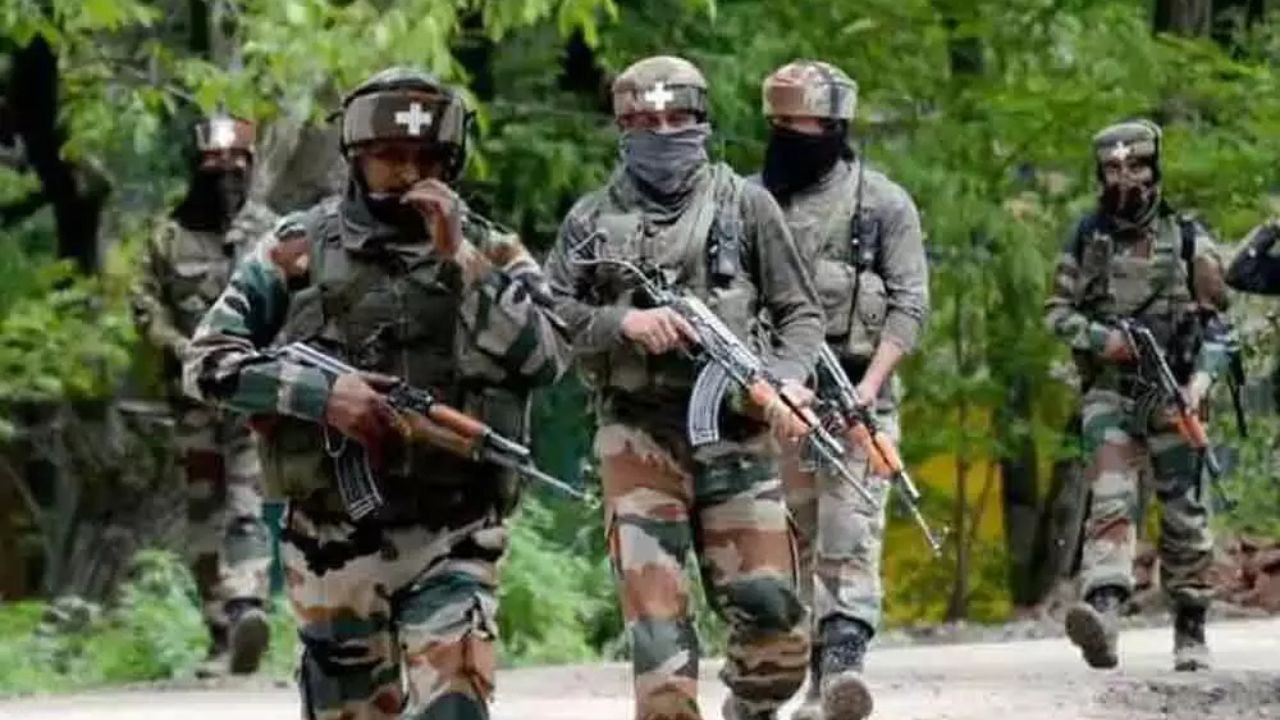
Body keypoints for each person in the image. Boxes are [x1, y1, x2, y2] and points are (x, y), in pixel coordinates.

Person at [182, 67, 571, 718]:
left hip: (455, 535)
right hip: (332, 544)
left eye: (427, 158)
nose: (408, 173)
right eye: (389, 155)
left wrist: (462, 262)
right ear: (356, 156)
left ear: (452, 161)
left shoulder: (492, 248)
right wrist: (322, 395)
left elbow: (551, 357)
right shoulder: (297, 248)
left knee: (455, 707)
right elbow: (206, 362)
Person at [544, 54, 823, 720]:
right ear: (623, 127)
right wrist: (624, 323)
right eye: (647, 123)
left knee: (777, 631)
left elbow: (799, 312)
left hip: (738, 434)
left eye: (677, 119)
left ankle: (749, 705)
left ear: (701, 121)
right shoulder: (591, 219)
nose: (664, 133)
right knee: (658, 631)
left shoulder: (745, 205)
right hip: (636, 436)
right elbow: (547, 313)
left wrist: (787, 381)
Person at [756, 60, 928, 720]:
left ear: (833, 127)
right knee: (788, 542)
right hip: (776, 400)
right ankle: (795, 679)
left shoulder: (882, 205)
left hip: (857, 396)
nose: (786, 135)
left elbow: (910, 306)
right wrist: (770, 386)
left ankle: (841, 671)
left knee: (848, 531)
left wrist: (869, 387)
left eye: (799, 124)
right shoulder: (751, 201)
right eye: (777, 122)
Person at [1044, 119, 1234, 672]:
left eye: (1135, 167)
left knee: (1185, 515)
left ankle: (1191, 628)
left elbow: (1221, 330)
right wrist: (1103, 340)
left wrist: (1200, 383)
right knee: (1111, 501)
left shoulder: (1190, 239)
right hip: (1112, 394)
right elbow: (1057, 313)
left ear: (1154, 170)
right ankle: (1104, 612)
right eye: (1112, 168)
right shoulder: (1087, 238)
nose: (1124, 178)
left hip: (1178, 393)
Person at [133, 114, 276, 675]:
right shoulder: (167, 237)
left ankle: (247, 608)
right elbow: (145, 308)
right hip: (191, 399)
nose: (226, 179)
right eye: (214, 169)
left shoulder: (272, 233)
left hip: (250, 396)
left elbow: (301, 301)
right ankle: (220, 634)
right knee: (204, 513)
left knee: (246, 505)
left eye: (236, 168)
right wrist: (181, 348)